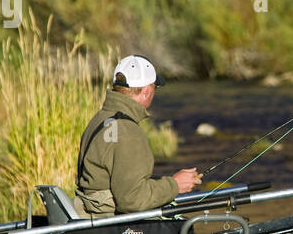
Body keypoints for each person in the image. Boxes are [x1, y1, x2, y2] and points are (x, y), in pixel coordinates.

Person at [76, 55, 202, 216]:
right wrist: (175, 185)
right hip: (109, 229)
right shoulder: (128, 131)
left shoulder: (101, 118)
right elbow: (132, 200)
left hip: (91, 216)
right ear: (146, 90)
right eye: (155, 88)